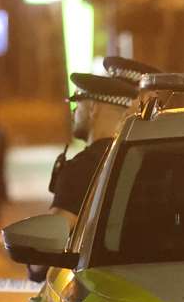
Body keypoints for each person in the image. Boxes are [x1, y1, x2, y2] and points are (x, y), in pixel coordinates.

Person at [48, 71, 137, 221]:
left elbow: (54, 232)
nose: (73, 112)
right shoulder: (135, 158)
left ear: (93, 108)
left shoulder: (81, 168)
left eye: (77, 105)